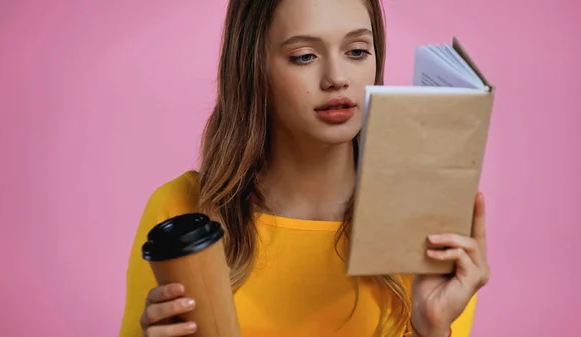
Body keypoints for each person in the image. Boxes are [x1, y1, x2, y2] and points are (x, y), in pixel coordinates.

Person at [118, 0, 490, 336]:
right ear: (253, 67)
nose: (337, 78)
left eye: (357, 51)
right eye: (304, 56)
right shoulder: (180, 210)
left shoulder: (429, 226)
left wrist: (433, 329)